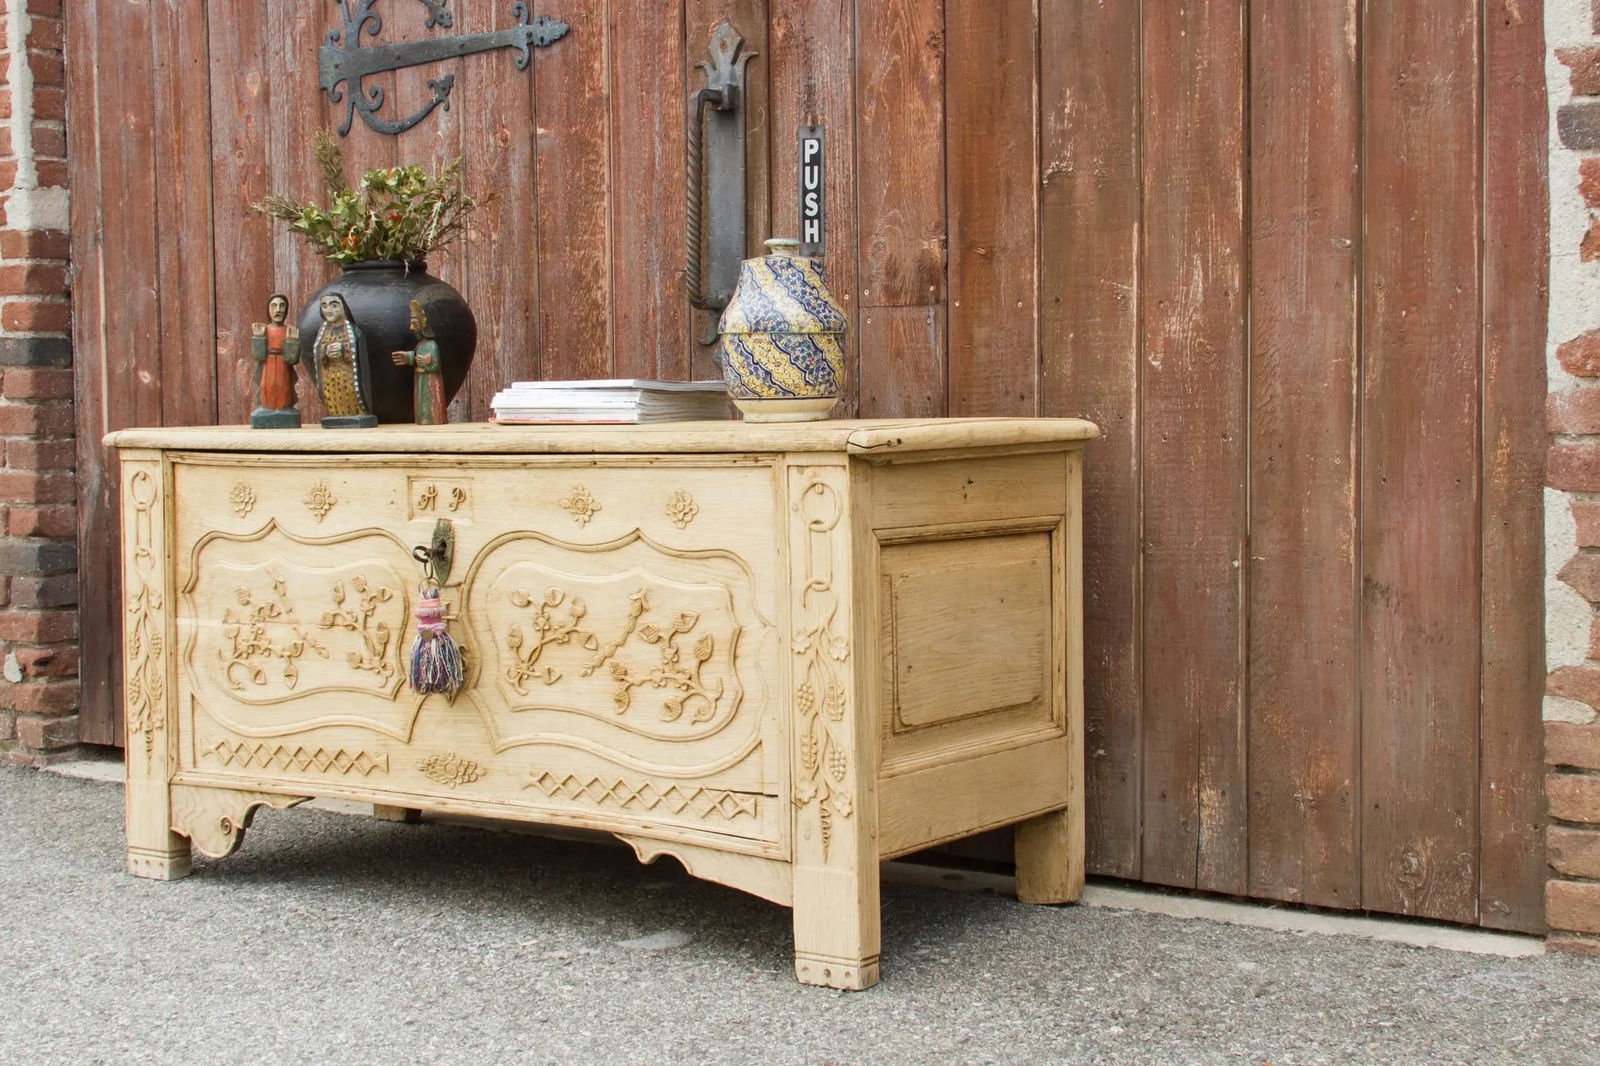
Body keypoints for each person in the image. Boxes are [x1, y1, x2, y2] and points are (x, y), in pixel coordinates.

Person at [312, 293, 377, 428]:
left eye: (334, 306)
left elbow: (360, 352)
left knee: (351, 396)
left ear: (343, 308)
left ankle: (356, 412)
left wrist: (344, 349)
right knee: (333, 398)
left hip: (348, 375)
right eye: (324, 306)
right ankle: (336, 414)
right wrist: (324, 352)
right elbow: (318, 351)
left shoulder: (353, 330)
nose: (328, 310)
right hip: (330, 376)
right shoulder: (323, 331)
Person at [248, 294, 301, 428]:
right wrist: (258, 337)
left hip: (283, 366)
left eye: (282, 306)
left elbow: (292, 359)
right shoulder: (264, 330)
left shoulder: (288, 330)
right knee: (268, 386)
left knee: (283, 386)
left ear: (286, 310)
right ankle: (268, 407)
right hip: (268, 366)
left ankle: (283, 408)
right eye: (274, 305)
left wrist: (292, 341)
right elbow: (258, 355)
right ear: (268, 309)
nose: (278, 309)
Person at [391, 300, 447, 425]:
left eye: (414, 324)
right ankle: (423, 419)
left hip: (430, 382)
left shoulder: (432, 345)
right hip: (421, 380)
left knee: (430, 403)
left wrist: (425, 365)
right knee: (421, 402)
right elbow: (418, 357)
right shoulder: (421, 344)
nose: (411, 328)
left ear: (424, 326)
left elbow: (436, 366)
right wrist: (409, 358)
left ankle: (432, 418)